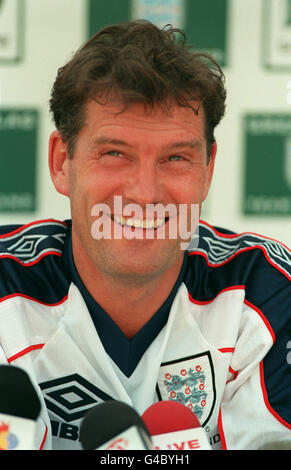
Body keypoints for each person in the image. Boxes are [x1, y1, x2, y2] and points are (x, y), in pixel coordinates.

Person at [0, 20, 290, 451]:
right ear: (63, 162)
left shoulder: (266, 291)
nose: (145, 193)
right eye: (115, 153)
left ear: (207, 170)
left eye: (176, 158)